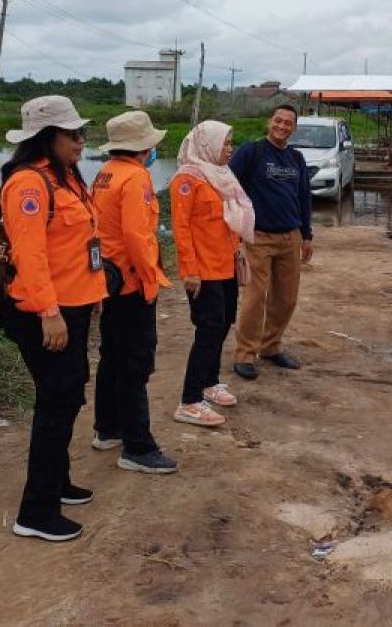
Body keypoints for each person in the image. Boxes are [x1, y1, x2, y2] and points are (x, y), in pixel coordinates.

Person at [0, 95, 106, 542]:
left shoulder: (64, 177)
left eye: (83, 132)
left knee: (67, 396)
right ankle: (36, 512)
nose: (82, 140)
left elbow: (78, 245)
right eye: (73, 134)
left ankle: (57, 484)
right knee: (55, 404)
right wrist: (49, 313)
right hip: (43, 313)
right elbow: (31, 256)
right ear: (47, 137)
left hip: (71, 307)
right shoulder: (28, 184)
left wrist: (92, 294)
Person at [90, 111, 178, 474]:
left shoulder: (104, 173)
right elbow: (137, 238)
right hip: (128, 282)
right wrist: (150, 279)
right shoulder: (136, 178)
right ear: (144, 146)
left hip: (107, 280)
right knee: (135, 364)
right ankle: (137, 446)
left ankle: (107, 428)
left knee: (112, 356)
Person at [169, 120, 255, 427]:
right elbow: (181, 229)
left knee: (222, 325)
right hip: (202, 271)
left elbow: (228, 220)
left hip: (225, 266)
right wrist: (189, 270)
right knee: (208, 330)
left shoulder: (221, 175)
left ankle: (209, 382)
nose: (229, 149)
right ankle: (190, 401)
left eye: (231, 143)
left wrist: (238, 248)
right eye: (225, 143)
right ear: (208, 145)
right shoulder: (187, 179)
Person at [228, 104, 313, 381]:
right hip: (258, 238)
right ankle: (245, 353)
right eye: (278, 120)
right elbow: (228, 185)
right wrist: (235, 224)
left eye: (288, 123)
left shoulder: (296, 158)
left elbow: (304, 197)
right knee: (254, 298)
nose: (282, 126)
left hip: (291, 236)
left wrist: (307, 235)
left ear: (294, 128)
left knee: (286, 298)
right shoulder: (251, 152)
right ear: (269, 122)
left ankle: (271, 346)